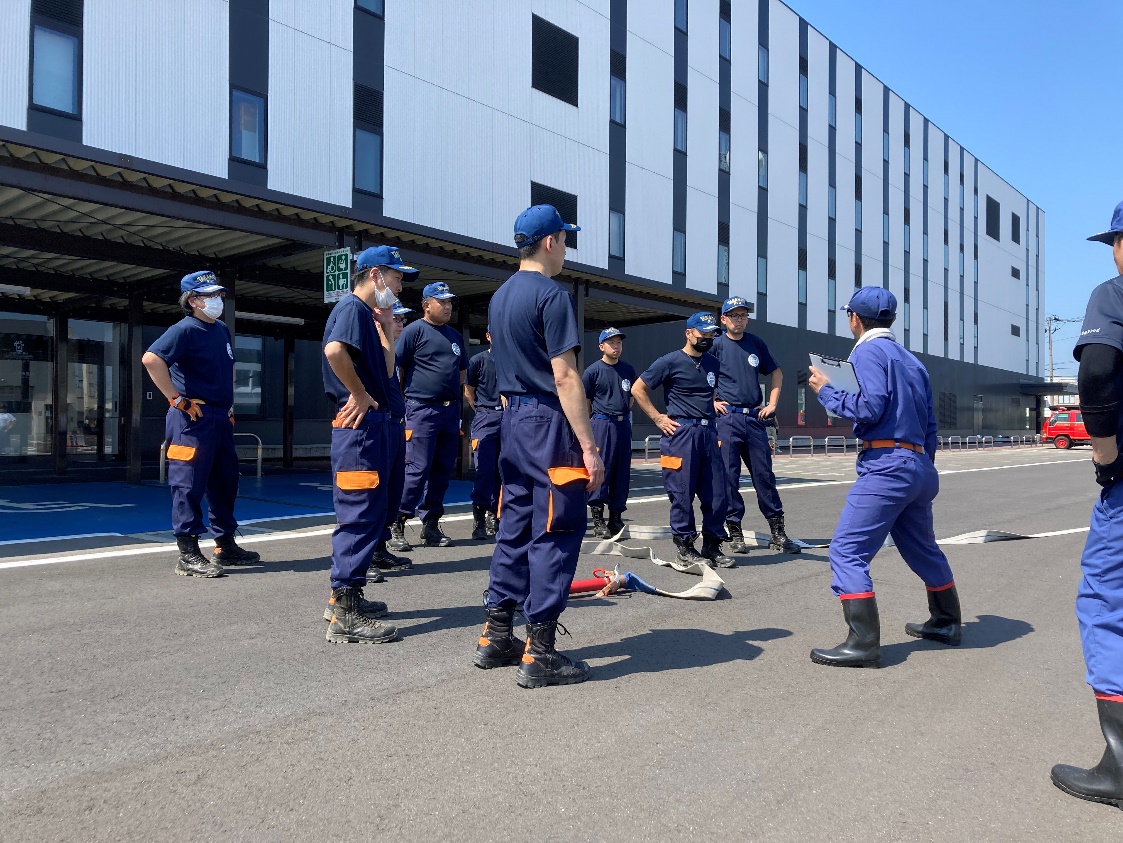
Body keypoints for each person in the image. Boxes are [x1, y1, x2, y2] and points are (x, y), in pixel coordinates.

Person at [472, 204, 604, 689]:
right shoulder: (552, 295)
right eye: (565, 240)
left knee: (515, 525)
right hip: (548, 422)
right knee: (556, 526)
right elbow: (565, 375)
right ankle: (540, 652)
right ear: (551, 241)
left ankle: (497, 634)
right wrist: (589, 447)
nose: (566, 249)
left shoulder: (501, 296)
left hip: (511, 421)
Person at [806, 286, 959, 668]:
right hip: (918, 464)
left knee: (846, 550)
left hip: (887, 463)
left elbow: (869, 407)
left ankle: (863, 644)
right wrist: (922, 466)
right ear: (890, 319)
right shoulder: (912, 360)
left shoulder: (867, 351)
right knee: (922, 548)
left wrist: (826, 391)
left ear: (854, 319)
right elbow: (930, 424)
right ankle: (946, 622)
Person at [1050, 202, 1123, 808]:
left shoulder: (1114, 292)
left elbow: (1097, 376)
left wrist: (1105, 455)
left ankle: (1121, 765)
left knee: (1105, 598)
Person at [320, 245, 419, 643]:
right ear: (376, 275)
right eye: (396, 278)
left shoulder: (367, 315)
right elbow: (333, 351)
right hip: (361, 430)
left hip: (376, 427)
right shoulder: (350, 308)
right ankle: (345, 612)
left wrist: (385, 326)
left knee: (373, 511)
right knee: (359, 515)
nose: (398, 288)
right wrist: (359, 393)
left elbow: (388, 369)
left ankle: (346, 598)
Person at [142, 271, 260, 578]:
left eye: (219, 295)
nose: (218, 300)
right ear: (193, 301)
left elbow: (227, 372)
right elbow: (152, 359)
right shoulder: (184, 329)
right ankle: (188, 552)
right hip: (191, 418)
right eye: (210, 296)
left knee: (225, 480)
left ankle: (225, 545)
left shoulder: (220, 330)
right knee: (188, 482)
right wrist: (176, 399)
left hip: (219, 417)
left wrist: (229, 406)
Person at [631, 313, 734, 569]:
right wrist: (658, 418)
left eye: (711, 335)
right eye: (703, 334)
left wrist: (710, 404)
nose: (707, 339)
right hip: (681, 434)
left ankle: (712, 546)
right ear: (688, 333)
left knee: (717, 494)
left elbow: (701, 392)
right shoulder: (669, 361)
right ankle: (685, 547)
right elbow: (638, 388)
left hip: (709, 434)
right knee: (682, 493)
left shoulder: (712, 363)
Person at [712, 296, 801, 555]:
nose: (739, 320)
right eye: (734, 315)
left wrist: (772, 403)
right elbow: (700, 373)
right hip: (728, 419)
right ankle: (734, 530)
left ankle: (778, 532)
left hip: (755, 418)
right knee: (728, 476)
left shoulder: (755, 344)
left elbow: (776, 372)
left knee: (764, 476)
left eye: (743, 315)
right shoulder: (716, 345)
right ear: (724, 319)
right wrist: (711, 400)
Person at [392, 281, 467, 548]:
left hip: (449, 411)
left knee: (441, 470)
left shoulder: (455, 336)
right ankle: (397, 523)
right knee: (416, 469)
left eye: (449, 302)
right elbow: (394, 366)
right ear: (426, 304)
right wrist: (403, 402)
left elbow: (461, 372)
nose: (447, 307)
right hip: (421, 410)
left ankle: (431, 525)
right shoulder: (414, 331)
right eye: (442, 302)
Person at [582, 327, 636, 538]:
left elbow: (631, 397)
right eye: (611, 342)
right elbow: (585, 401)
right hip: (602, 425)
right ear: (601, 346)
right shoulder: (593, 371)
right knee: (601, 469)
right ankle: (598, 518)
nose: (616, 346)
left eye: (619, 342)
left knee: (621, 472)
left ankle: (615, 517)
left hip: (623, 425)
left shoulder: (628, 370)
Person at [465, 328, 502, 541]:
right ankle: (479, 519)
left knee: (503, 471)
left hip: (507, 418)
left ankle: (495, 515)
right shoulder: (478, 360)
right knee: (484, 470)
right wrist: (479, 408)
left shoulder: (512, 360)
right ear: (488, 336)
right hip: (485, 417)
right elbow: (468, 388)